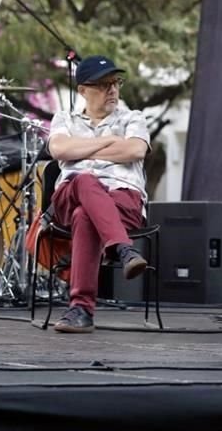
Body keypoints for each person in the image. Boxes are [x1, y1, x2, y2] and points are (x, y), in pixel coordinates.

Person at [47, 55, 150, 333]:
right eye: (104, 85)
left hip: (123, 199)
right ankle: (123, 248)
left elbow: (134, 151)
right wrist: (107, 141)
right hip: (70, 194)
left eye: (116, 83)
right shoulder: (64, 119)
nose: (113, 90)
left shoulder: (133, 118)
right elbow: (59, 150)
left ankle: (81, 309)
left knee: (85, 215)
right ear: (82, 90)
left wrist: (82, 147)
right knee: (84, 180)